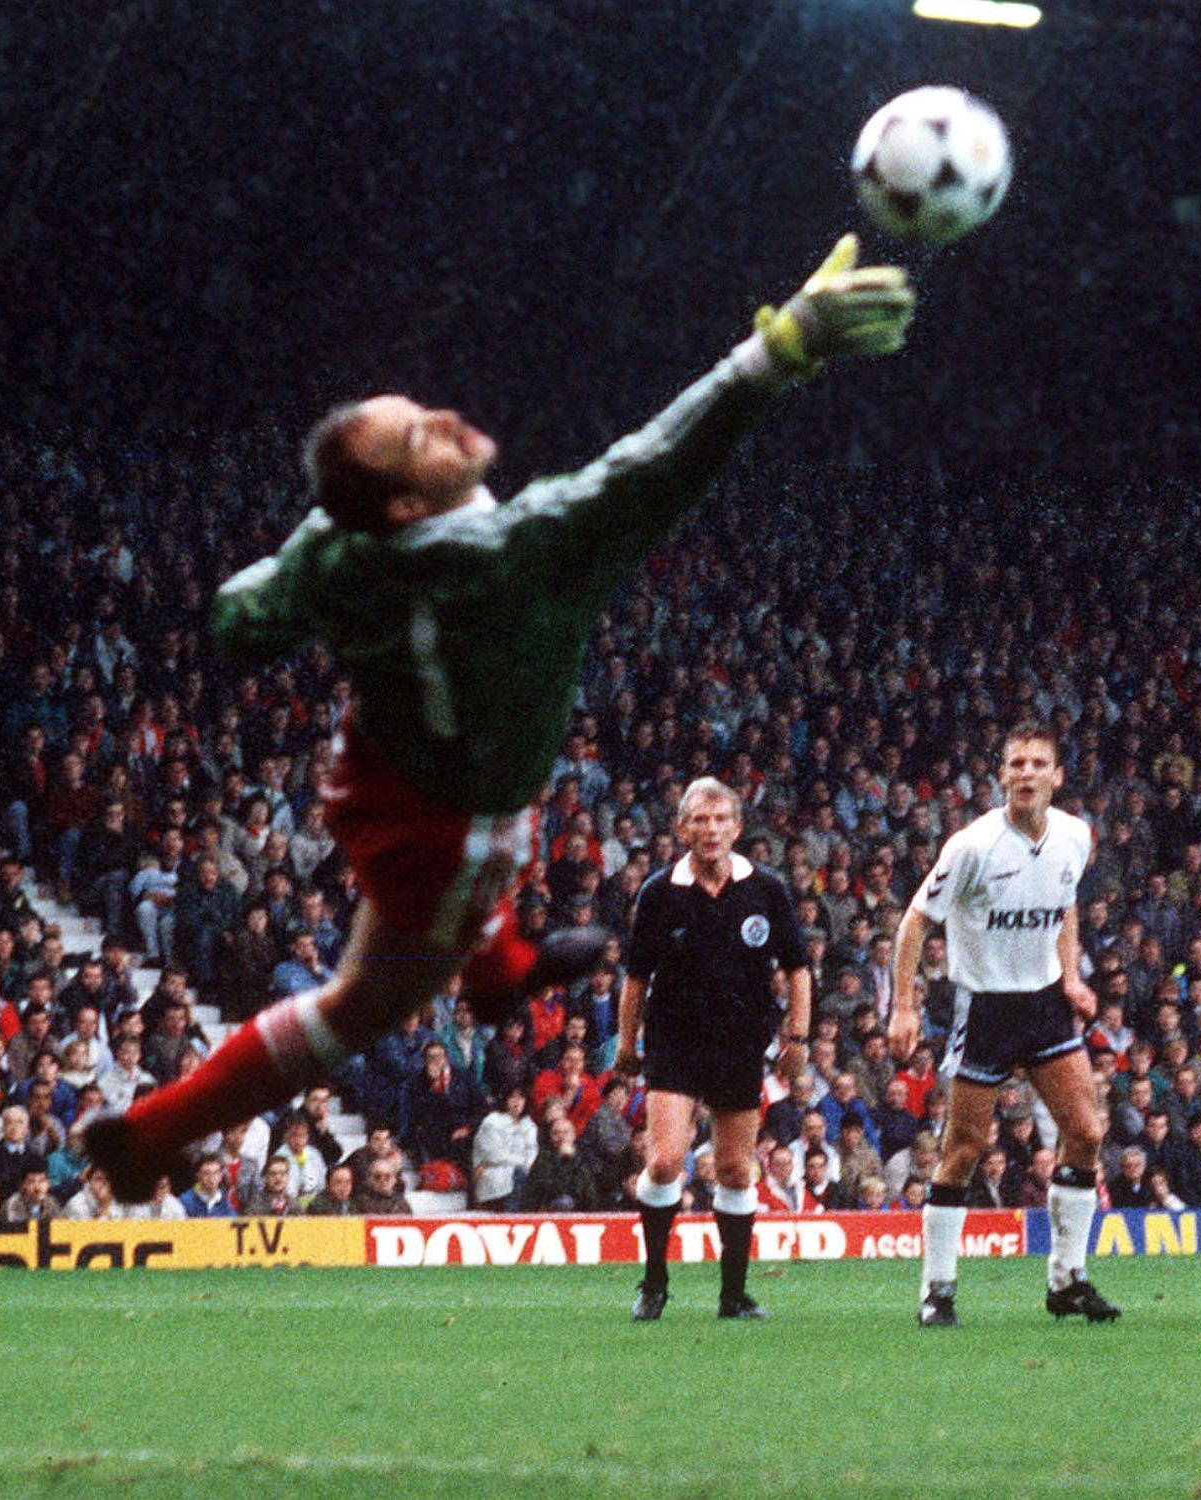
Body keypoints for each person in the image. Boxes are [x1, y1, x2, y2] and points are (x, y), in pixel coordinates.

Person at [87, 236, 915, 1197]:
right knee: (362, 1007)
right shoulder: (511, 559)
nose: (441, 417)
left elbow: (239, 621)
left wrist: (298, 566)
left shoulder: (341, 546)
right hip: (445, 824)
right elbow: (654, 464)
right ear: (402, 504)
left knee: (466, 919)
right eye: (415, 437)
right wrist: (781, 349)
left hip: (389, 758)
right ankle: (149, 1133)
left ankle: (501, 966)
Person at [891, 725, 1118, 1328]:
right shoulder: (973, 845)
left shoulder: (1074, 836)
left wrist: (1070, 975)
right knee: (964, 1147)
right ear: (1001, 775)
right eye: (1015, 762)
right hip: (984, 1004)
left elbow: (1065, 904)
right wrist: (903, 1007)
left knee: (1087, 1132)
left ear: (1057, 775)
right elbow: (915, 924)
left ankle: (1068, 1279)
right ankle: (937, 1289)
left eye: (1037, 763)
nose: (1025, 772)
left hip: (1044, 1003)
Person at [616, 778, 812, 1322]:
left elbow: (798, 967)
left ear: (738, 828)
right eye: (700, 821)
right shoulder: (659, 892)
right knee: (664, 1159)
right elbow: (635, 978)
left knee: (734, 1170)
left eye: (721, 819)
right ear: (682, 830)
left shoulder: (766, 888)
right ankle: (654, 1282)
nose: (711, 829)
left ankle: (734, 1295)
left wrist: (797, 1037)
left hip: (739, 1040)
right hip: (674, 1040)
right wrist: (626, 1043)